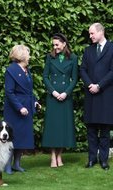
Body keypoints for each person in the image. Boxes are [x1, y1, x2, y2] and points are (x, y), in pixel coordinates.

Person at [80, 23, 113, 170]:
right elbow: (83, 69)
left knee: (105, 130)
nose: (90, 36)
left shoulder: (112, 48)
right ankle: (92, 159)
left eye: (92, 33)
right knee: (91, 130)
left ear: (101, 32)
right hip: (91, 94)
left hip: (106, 94)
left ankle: (104, 160)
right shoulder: (88, 50)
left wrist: (99, 85)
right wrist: (90, 85)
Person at [42, 33, 78, 168]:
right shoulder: (50, 57)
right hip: (53, 96)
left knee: (63, 127)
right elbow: (45, 77)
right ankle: (52, 156)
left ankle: (59, 155)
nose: (55, 47)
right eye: (53, 45)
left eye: (57, 44)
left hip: (65, 96)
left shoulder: (73, 58)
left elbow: (74, 79)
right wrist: (54, 91)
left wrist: (66, 93)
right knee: (53, 127)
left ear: (64, 44)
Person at [3, 44, 41, 174]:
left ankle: (17, 164)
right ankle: (7, 165)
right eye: (28, 54)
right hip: (15, 109)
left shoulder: (27, 70)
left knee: (22, 138)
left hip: (27, 107)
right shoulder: (11, 70)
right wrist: (19, 107)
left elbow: (28, 91)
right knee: (11, 138)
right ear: (22, 56)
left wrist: (35, 102)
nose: (29, 56)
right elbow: (9, 92)